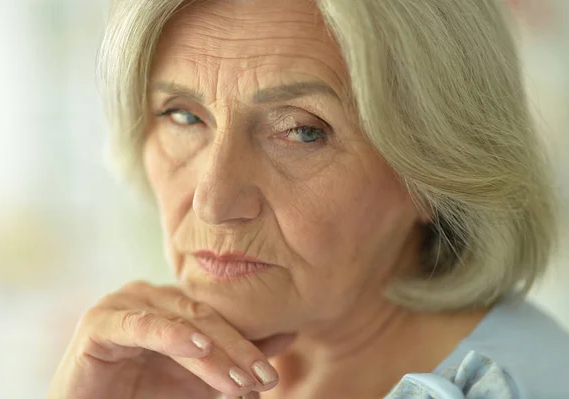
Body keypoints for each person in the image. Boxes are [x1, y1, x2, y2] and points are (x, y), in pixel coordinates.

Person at [47, 0, 569, 398]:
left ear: (435, 170)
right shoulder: (159, 368)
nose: (213, 202)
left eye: (301, 131)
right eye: (183, 116)